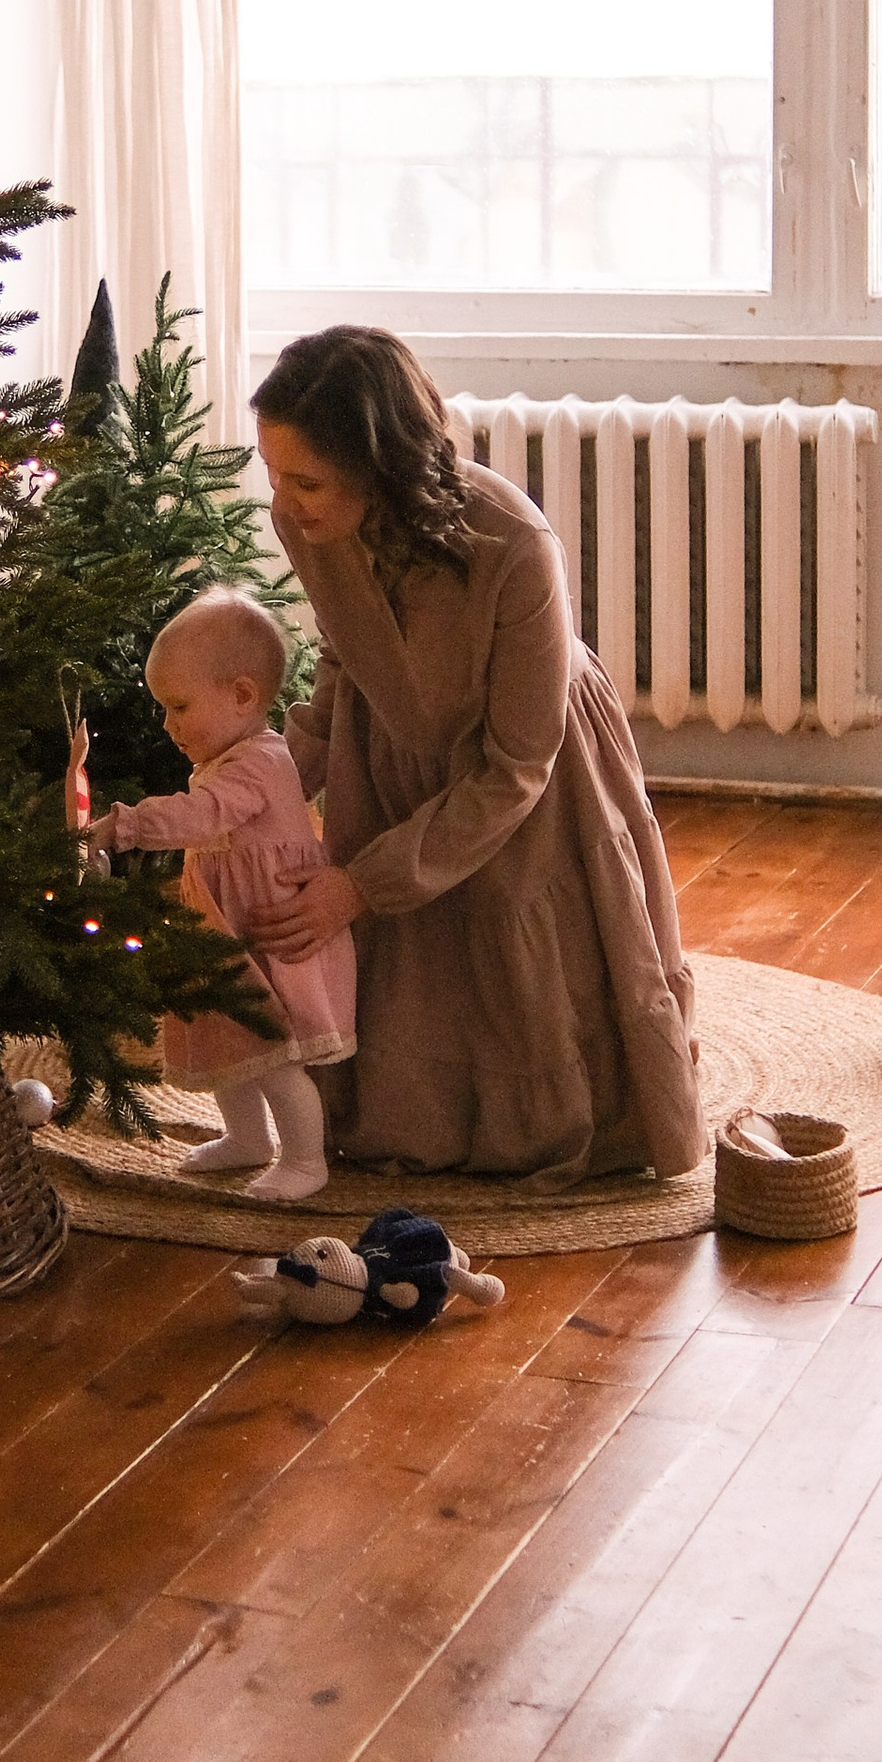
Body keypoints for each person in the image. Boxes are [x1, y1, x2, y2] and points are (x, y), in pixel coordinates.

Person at [246, 327, 701, 1183]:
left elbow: (516, 769)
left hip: (528, 768)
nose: (286, 502)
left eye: (305, 480)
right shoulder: (309, 520)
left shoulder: (514, 548)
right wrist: (270, 777)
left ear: (377, 467)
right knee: (406, 990)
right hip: (393, 743)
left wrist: (362, 884)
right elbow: (347, 649)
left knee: (517, 959)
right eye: (274, 475)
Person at [78, 587, 356, 1200]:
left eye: (178, 707)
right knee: (230, 1038)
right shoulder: (226, 755)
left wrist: (125, 825)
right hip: (227, 931)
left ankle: (306, 1161)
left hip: (271, 931)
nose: (168, 725)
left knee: (276, 1051)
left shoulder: (258, 762)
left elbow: (203, 818)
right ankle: (247, 1139)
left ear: (241, 695)